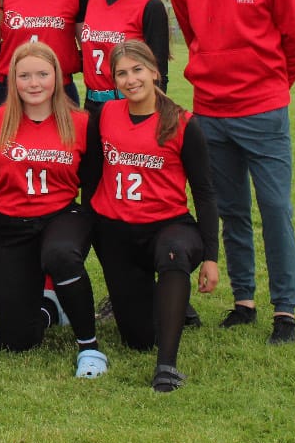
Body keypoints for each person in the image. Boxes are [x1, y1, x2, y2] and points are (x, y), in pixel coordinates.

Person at [167, 0, 295, 344]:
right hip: (210, 113)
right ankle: (244, 301)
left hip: (262, 113)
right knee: (231, 211)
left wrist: (270, 87)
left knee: (274, 209)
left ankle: (284, 310)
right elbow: (192, 33)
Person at [88, 41, 219, 391]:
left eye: (137, 70)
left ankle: (167, 367)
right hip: (118, 232)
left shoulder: (182, 123)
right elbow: (89, 177)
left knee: (173, 252)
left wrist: (210, 258)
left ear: (154, 71)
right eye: (122, 73)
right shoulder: (105, 116)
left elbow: (205, 194)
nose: (131, 80)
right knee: (137, 338)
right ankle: (177, 308)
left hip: (167, 226)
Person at [0, 42, 105, 378]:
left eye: (42, 74)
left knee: (60, 254)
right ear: (12, 80)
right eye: (24, 75)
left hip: (61, 215)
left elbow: (94, 181)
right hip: (10, 224)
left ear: (57, 77)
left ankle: (89, 347)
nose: (34, 83)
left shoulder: (81, 123)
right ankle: (51, 308)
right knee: (15, 341)